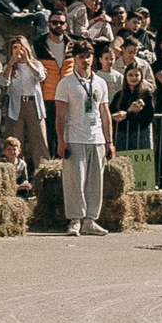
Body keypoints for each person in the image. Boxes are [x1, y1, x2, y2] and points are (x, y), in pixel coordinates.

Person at [53, 40, 113, 236]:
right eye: (81, 57)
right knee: (75, 180)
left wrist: (109, 141)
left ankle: (90, 219)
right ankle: (75, 219)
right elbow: (60, 115)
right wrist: (62, 141)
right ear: (75, 59)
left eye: (88, 56)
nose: (85, 60)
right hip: (75, 136)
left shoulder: (100, 82)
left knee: (95, 181)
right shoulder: (66, 83)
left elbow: (105, 112)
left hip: (96, 137)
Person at [2, 34, 50, 166]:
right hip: (16, 105)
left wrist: (28, 62)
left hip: (33, 104)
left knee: (39, 140)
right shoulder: (10, 66)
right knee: (16, 141)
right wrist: (11, 64)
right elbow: (4, 82)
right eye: (15, 48)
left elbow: (40, 77)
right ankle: (17, 171)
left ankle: (43, 170)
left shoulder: (35, 64)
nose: (19, 50)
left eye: (21, 47)